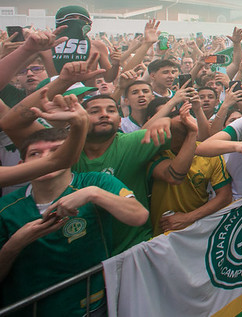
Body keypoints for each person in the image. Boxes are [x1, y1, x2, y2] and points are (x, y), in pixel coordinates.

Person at [0, 108, 148, 316]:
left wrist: (94, 194)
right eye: (36, 153)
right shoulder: (6, 208)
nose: (45, 159)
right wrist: (15, 245)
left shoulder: (95, 182)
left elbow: (138, 215)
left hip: (91, 306)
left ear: (70, 155)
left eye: (55, 151)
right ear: (21, 165)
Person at [73, 94, 172, 254]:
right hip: (84, 257)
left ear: (120, 120)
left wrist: (168, 121)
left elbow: (186, 130)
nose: (104, 114)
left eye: (111, 110)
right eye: (94, 111)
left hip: (135, 249)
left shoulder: (134, 142)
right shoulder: (65, 153)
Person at [148, 103, 232, 236]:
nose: (184, 131)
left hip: (195, 230)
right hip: (160, 233)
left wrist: (188, 218)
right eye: (178, 128)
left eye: (188, 127)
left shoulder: (209, 153)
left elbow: (225, 196)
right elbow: (172, 176)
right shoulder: (157, 152)